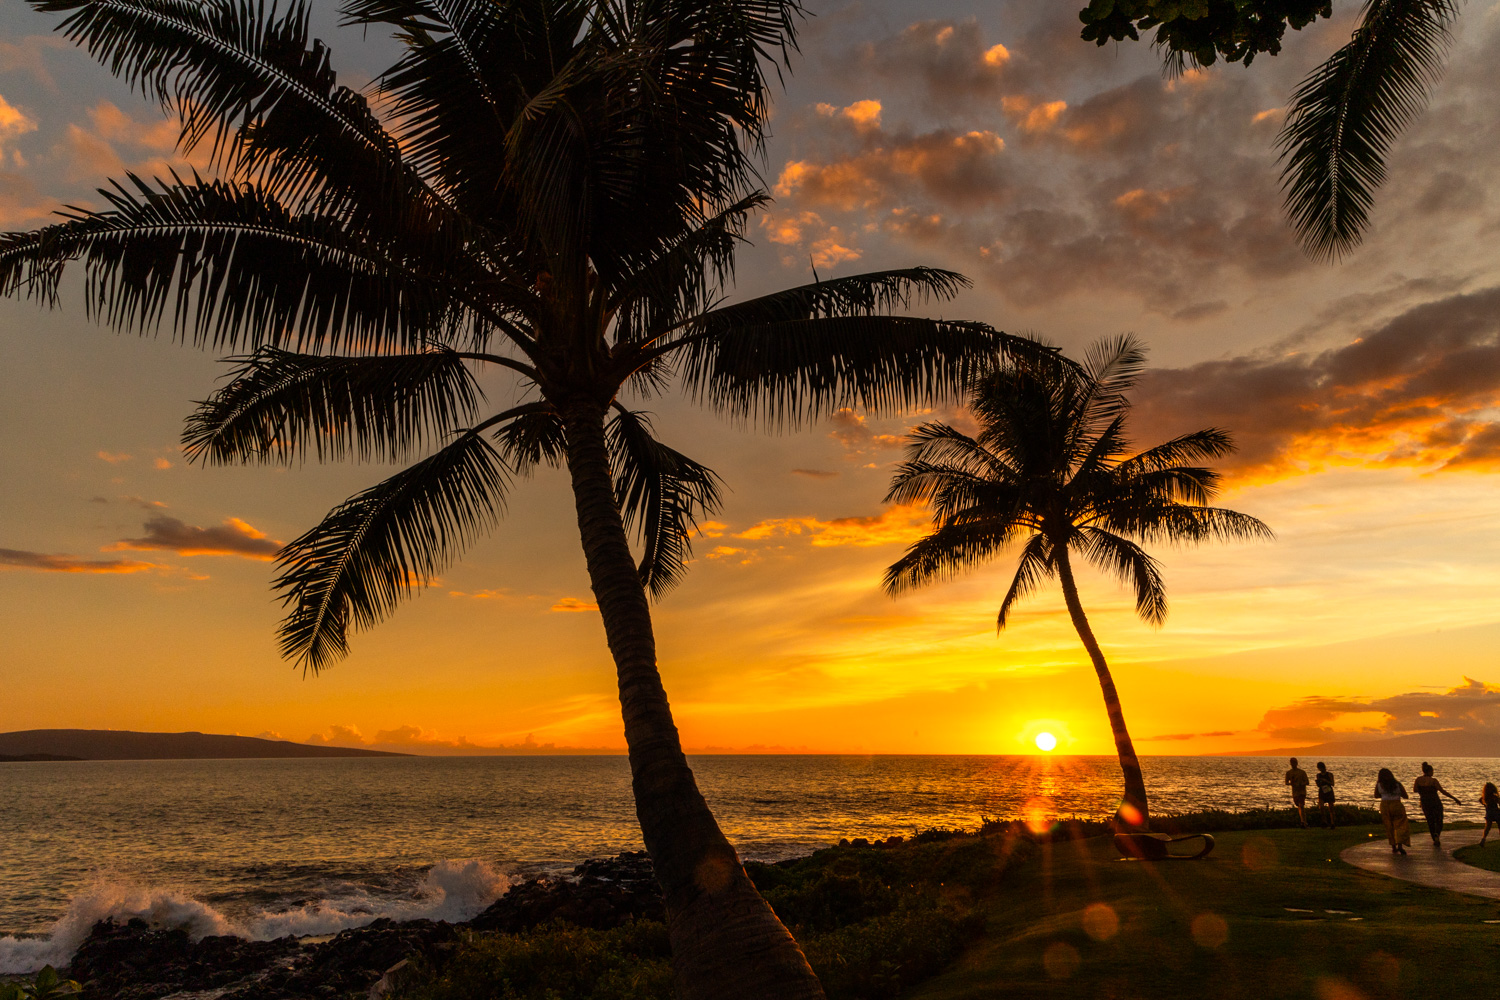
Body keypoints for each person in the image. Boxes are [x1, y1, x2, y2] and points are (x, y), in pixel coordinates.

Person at [1412, 762, 1463, 847]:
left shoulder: (1418, 780)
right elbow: (1442, 791)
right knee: (1439, 820)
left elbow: (1415, 790)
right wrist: (1455, 798)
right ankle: (1437, 834)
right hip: (1435, 801)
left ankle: (1434, 838)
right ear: (1430, 771)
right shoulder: (1433, 781)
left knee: (1430, 821)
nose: (1433, 773)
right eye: (1432, 771)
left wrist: (1423, 791)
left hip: (1425, 802)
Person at [1374, 768, 1411, 855]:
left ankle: (1393, 846)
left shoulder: (1379, 785)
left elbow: (1376, 795)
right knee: (1400, 825)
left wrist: (1384, 794)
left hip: (1384, 806)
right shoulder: (1397, 784)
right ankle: (1400, 845)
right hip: (1396, 805)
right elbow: (1406, 796)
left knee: (1389, 826)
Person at [1285, 757, 1310, 828]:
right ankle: (1304, 821)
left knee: (1301, 805)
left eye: (1294, 762)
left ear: (1297, 763)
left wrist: (1301, 784)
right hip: (1295, 792)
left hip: (1302, 791)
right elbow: (1286, 782)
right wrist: (1291, 783)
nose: (1293, 764)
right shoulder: (1289, 773)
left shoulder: (1302, 772)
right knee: (1299, 806)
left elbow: (1307, 782)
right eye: (1292, 762)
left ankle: (1303, 822)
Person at [1314, 762, 1336, 829]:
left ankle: (1332, 822)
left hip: (1328, 791)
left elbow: (1332, 783)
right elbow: (1318, 785)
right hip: (1322, 791)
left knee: (1331, 807)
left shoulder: (1329, 774)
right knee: (1321, 807)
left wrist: (1325, 781)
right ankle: (1324, 822)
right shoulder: (1318, 775)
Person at [1482, 783, 1500, 847]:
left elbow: (1480, 800)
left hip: (1489, 812)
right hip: (1496, 812)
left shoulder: (1485, 797)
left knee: (1488, 827)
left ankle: (1483, 838)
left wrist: (1485, 805)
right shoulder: (1494, 797)